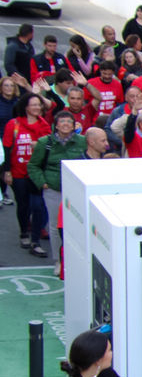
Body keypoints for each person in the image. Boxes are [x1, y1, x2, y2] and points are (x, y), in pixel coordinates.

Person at [29, 110, 87, 274]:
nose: (66, 125)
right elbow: (33, 165)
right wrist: (43, 183)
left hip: (76, 190)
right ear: (56, 125)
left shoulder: (82, 141)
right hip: (53, 189)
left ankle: (78, 260)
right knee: (55, 226)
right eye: (62, 122)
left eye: (69, 121)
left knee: (78, 224)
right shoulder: (44, 142)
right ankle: (59, 261)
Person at [4, 92, 52, 256]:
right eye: (33, 104)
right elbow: (7, 148)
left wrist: (38, 145)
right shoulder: (14, 124)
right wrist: (7, 171)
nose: (37, 107)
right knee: (23, 204)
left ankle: (36, 237)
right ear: (25, 107)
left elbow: (47, 148)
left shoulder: (44, 125)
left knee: (38, 205)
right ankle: (24, 232)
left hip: (37, 172)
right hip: (18, 171)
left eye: (39, 105)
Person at [4, 24, 36, 90]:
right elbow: (9, 65)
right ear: (29, 34)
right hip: (17, 83)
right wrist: (20, 77)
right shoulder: (13, 46)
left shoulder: (29, 46)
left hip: (28, 81)